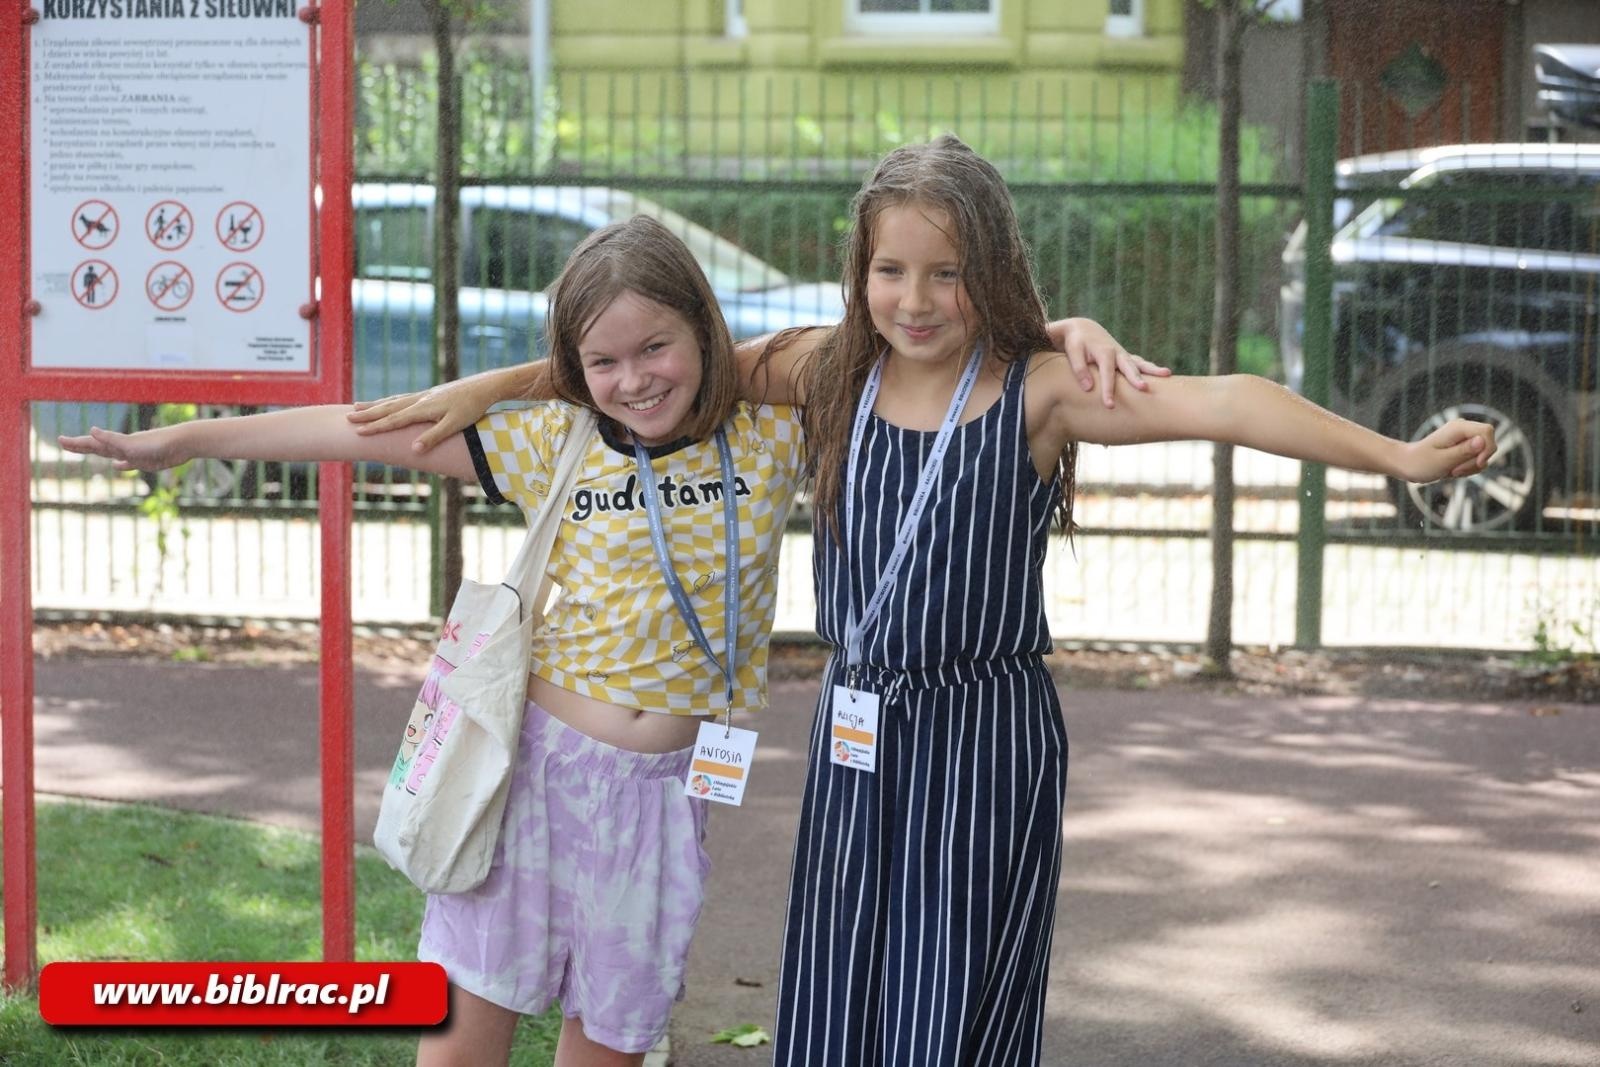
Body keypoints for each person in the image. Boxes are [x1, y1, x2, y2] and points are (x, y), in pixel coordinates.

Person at [355, 135, 1496, 1067]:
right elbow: (657, 359)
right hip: (859, 732)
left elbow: (1227, 400)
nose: (915, 297)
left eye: (946, 272)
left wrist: (1394, 457)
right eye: (891, 270)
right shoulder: (822, 370)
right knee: (839, 1001)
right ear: (859, 273)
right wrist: (495, 382)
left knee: (945, 1012)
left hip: (980, 737)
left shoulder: (1042, 392)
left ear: (988, 272)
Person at [60, 211, 1153, 1067]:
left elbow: (928, 349)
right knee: (469, 1008)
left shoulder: (772, 423)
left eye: (657, 348)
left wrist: (1061, 333)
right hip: (527, 773)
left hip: (667, 791)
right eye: (604, 361)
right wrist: (192, 437)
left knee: (614, 1028)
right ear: (573, 368)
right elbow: (366, 429)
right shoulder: (553, 438)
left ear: (705, 332)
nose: (634, 379)